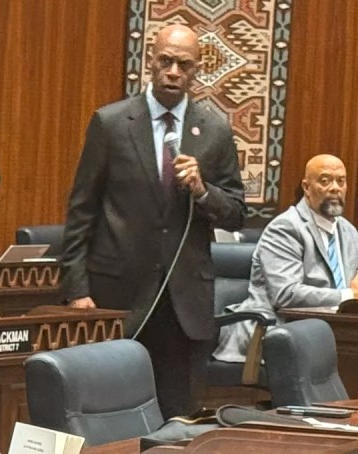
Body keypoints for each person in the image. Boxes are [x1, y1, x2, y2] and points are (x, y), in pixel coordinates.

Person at [60, 24, 246, 418]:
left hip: (185, 306)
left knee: (179, 422)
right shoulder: (110, 123)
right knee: (109, 416)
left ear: (197, 71)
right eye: (166, 61)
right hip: (117, 298)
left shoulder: (214, 130)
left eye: (184, 65)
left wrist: (202, 190)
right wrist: (77, 290)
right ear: (151, 60)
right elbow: (81, 211)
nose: (174, 72)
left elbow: (236, 211)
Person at [214, 154, 358, 362]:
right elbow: (285, 294)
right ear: (307, 188)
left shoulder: (348, 231)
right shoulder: (286, 228)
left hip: (331, 330)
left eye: (341, 181)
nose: (335, 188)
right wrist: (347, 295)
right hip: (278, 329)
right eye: (325, 181)